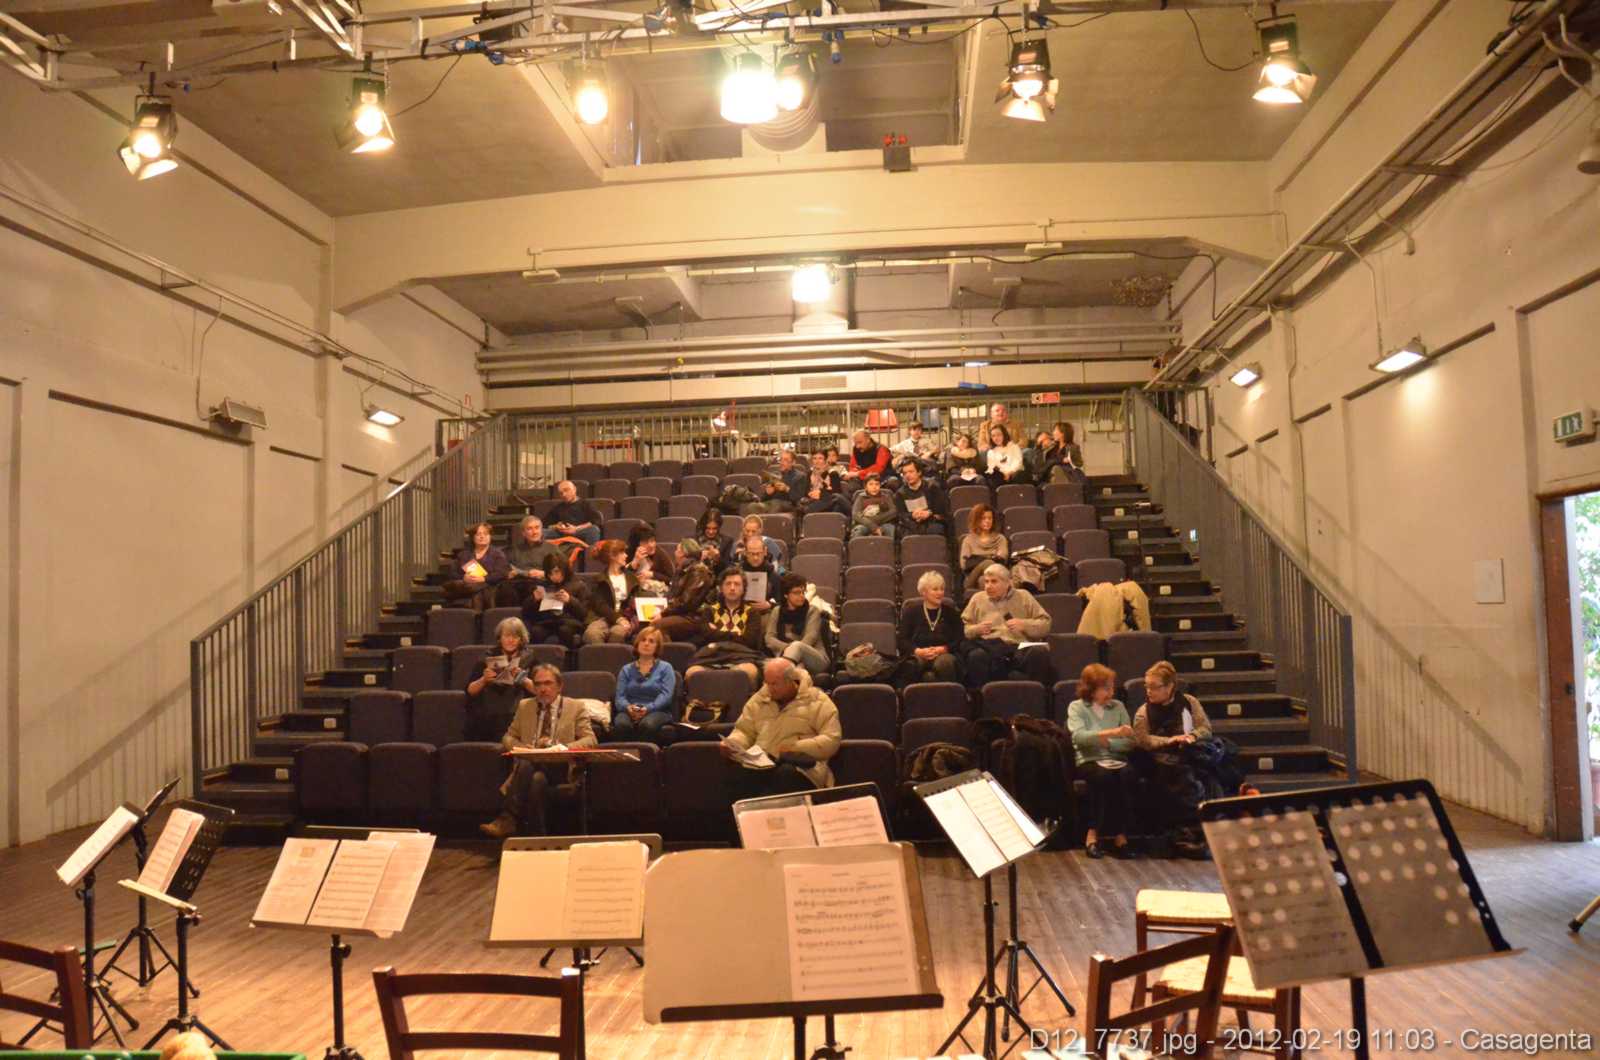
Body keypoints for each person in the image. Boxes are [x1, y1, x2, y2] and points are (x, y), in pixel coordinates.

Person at [480, 664, 598, 838]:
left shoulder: (575, 707)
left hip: (561, 767)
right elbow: (508, 737)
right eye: (538, 684)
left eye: (548, 683)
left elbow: (590, 740)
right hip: (531, 768)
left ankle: (508, 818)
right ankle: (538, 838)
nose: (543, 689)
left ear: (559, 686)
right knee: (536, 779)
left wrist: (563, 748)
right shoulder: (525, 706)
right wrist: (520, 747)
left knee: (527, 764)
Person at [719, 658, 842, 804]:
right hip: (762, 763)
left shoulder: (817, 701)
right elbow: (744, 731)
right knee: (734, 776)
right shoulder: (759, 700)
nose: (770, 688)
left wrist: (795, 748)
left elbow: (831, 739)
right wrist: (734, 744)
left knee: (784, 775)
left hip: (802, 767)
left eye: (775, 684)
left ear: (791, 681)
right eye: (767, 683)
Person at [1066, 663, 1137, 859]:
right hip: (1089, 760)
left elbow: (1130, 741)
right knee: (1102, 776)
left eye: (1112, 687)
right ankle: (1092, 834)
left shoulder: (1118, 707)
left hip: (1117, 758)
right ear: (1091, 689)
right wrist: (1111, 733)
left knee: (1128, 775)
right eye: (1105, 688)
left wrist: (1108, 743)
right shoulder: (1077, 707)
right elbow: (1079, 738)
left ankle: (1121, 836)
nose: (1111, 693)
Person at [960, 563, 1052, 688]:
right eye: (986, 582)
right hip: (990, 648)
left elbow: (1045, 623)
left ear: (1007, 583)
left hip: (1018, 647)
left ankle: (1034, 695)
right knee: (976, 656)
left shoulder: (1024, 596)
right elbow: (963, 628)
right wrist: (977, 629)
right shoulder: (978, 599)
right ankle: (981, 697)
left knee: (1039, 652)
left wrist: (1024, 624)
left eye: (994, 581)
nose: (988, 586)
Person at [685, 568, 766, 688]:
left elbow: (750, 640)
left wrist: (716, 632)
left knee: (749, 672)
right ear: (721, 588)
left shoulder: (752, 613)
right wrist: (737, 635)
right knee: (691, 673)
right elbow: (705, 637)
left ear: (744, 588)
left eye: (737, 584)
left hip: (742, 656)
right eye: (728, 584)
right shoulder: (709, 611)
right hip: (711, 656)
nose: (732, 588)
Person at [464, 616, 540, 742]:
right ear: (500, 638)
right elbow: (470, 691)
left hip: (518, 713)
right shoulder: (487, 657)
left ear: (521, 639)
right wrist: (484, 679)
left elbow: (541, 691)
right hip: (489, 714)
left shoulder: (530, 658)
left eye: (515, 636)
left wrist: (524, 679)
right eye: (506, 636)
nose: (510, 640)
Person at [610, 625, 677, 744]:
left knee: (647, 725)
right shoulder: (626, 669)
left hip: (658, 711)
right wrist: (628, 708)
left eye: (651, 641)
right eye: (643, 640)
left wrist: (648, 708)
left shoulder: (666, 668)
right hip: (629, 710)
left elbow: (666, 696)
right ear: (637, 644)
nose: (646, 644)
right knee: (621, 724)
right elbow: (620, 697)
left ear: (657, 647)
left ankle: (647, 754)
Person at [897, 569, 964, 684]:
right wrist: (917, 651)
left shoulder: (951, 613)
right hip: (918, 653)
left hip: (944, 654)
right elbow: (902, 640)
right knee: (911, 664)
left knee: (945, 663)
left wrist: (944, 649)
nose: (940, 593)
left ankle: (949, 694)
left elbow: (959, 638)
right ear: (923, 592)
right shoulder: (911, 612)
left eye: (942, 589)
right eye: (935, 589)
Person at [764, 572, 831, 677]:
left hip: (815, 657)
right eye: (796, 593)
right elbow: (769, 638)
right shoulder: (777, 611)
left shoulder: (812, 611)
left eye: (803, 592)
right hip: (788, 657)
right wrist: (788, 649)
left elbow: (810, 638)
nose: (801, 596)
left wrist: (790, 649)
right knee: (798, 669)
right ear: (786, 594)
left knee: (797, 646)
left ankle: (778, 674)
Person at [520, 552, 590, 648]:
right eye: (550, 574)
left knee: (564, 631)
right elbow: (525, 612)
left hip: (569, 622)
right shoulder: (543, 586)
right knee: (536, 632)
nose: (553, 577)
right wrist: (534, 600)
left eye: (556, 572)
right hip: (547, 622)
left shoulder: (579, 585)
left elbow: (584, 614)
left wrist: (570, 600)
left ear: (564, 569)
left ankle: (569, 656)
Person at [655, 538, 716, 644]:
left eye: (677, 550)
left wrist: (664, 612)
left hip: (694, 616)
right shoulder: (682, 570)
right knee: (645, 620)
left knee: (658, 625)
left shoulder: (699, 572)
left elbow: (686, 601)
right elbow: (672, 596)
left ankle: (668, 653)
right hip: (680, 612)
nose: (674, 553)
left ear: (683, 554)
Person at [443, 523, 509, 611]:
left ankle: (476, 615)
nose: (482, 536)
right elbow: (452, 573)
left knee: (479, 590)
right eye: (478, 534)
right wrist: (464, 578)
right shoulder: (464, 555)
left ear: (490, 537)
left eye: (485, 534)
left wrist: (483, 579)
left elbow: (501, 573)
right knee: (474, 588)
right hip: (466, 584)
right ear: (473, 537)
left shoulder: (498, 554)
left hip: (490, 587)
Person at [584, 539, 639, 645]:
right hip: (603, 617)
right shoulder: (599, 579)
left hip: (625, 617)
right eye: (622, 553)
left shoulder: (631, 578)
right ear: (612, 556)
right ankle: (601, 656)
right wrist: (618, 619)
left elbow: (637, 600)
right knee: (591, 633)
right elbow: (600, 605)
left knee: (618, 633)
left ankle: (612, 656)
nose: (626, 556)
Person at [498, 516, 558, 606]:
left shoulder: (552, 549)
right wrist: (509, 573)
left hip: (543, 583)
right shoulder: (514, 550)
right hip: (519, 584)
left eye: (537, 528)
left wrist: (544, 573)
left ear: (541, 530)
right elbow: (506, 568)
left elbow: (561, 572)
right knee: (505, 588)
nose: (534, 532)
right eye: (530, 529)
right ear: (523, 533)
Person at [959, 503, 1009, 591]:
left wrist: (979, 558)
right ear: (976, 520)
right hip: (972, 578)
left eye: (990, 518)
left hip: (993, 576)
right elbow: (964, 564)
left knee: (983, 580)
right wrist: (988, 559)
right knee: (988, 563)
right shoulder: (968, 540)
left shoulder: (1000, 538)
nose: (987, 521)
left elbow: (1002, 559)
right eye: (983, 518)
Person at [895, 459, 948, 537]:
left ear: (919, 472)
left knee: (937, 529)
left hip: (931, 521)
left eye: (911, 472)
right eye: (905, 473)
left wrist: (929, 513)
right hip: (911, 524)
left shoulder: (932, 488)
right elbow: (901, 515)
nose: (907, 475)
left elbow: (941, 510)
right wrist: (912, 515)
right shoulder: (900, 493)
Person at [546, 480, 603, 549]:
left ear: (574, 489)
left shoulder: (585, 504)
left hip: (579, 532)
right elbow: (545, 523)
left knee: (594, 530)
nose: (564, 494)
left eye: (566, 490)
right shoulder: (558, 507)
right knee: (540, 532)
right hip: (562, 533)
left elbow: (597, 520)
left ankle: (590, 553)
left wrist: (576, 529)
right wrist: (556, 526)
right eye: (561, 493)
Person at [733, 534, 781, 609]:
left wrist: (770, 604)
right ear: (745, 553)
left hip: (766, 612)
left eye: (758, 553)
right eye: (752, 554)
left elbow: (780, 600)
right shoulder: (737, 573)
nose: (755, 558)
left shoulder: (773, 575)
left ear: (765, 552)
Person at [849, 473, 898, 540]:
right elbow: (856, 514)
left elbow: (893, 511)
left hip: (883, 523)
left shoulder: (886, 496)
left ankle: (888, 546)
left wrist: (876, 519)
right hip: (865, 523)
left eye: (877, 484)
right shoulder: (861, 497)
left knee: (889, 528)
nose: (874, 487)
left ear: (880, 485)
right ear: (865, 486)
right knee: (859, 530)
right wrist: (872, 526)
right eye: (871, 484)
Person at [802, 452, 852, 516]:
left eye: (820, 458)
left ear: (825, 460)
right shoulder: (809, 473)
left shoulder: (833, 473)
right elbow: (806, 491)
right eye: (814, 458)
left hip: (828, 501)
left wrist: (820, 493)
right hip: (813, 500)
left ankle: (807, 511)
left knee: (834, 500)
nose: (817, 461)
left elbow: (836, 492)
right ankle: (809, 510)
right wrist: (811, 493)